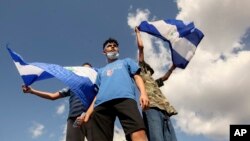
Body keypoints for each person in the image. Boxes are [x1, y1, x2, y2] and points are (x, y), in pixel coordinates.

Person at [87, 38, 149, 141]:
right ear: (104, 52)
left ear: (118, 50)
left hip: (125, 99)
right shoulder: (100, 71)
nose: (112, 46)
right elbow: (98, 93)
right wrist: (88, 113)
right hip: (101, 105)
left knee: (138, 132)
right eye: (109, 45)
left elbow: (137, 77)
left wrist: (143, 93)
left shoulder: (127, 61)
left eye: (115, 45)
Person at [22, 63, 94, 141]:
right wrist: (32, 91)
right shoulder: (72, 87)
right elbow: (52, 96)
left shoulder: (96, 84)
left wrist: (88, 113)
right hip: (74, 119)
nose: (86, 71)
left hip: (92, 118)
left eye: (88, 70)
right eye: (83, 70)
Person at [135, 27, 178, 141]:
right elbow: (141, 48)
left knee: (171, 139)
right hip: (152, 107)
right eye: (148, 69)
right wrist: (138, 33)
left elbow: (165, 77)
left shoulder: (153, 82)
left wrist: (172, 67)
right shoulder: (142, 75)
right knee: (157, 138)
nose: (149, 71)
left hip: (164, 109)